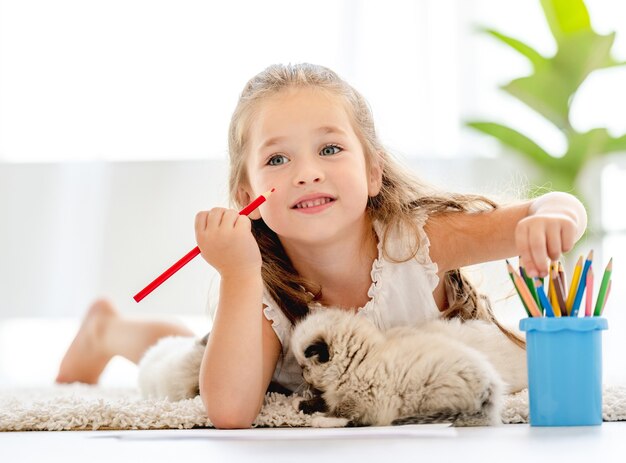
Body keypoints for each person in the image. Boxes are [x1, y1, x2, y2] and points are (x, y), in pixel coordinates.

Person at [56, 63, 587, 429]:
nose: (307, 173)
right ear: (248, 196)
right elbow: (233, 411)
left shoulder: (416, 241)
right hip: (264, 363)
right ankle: (109, 329)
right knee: (176, 370)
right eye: (278, 160)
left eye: (330, 148)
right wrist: (239, 275)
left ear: (373, 170)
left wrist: (557, 215)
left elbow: (552, 206)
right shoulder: (259, 275)